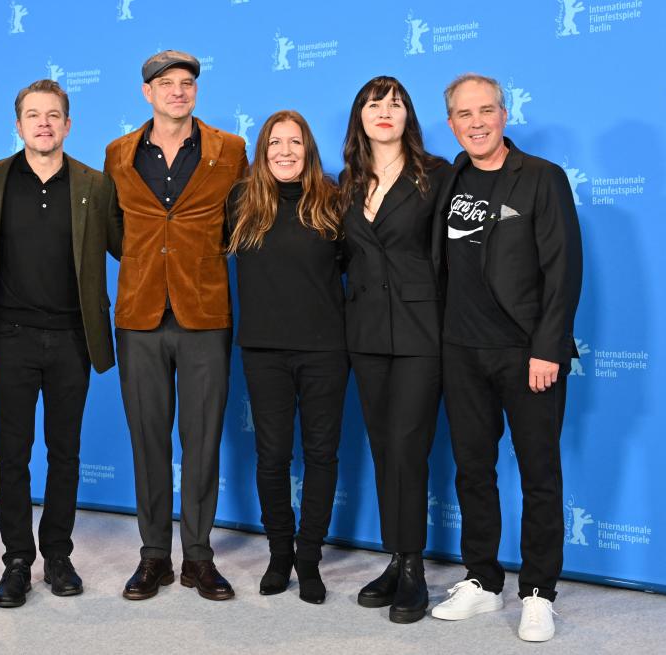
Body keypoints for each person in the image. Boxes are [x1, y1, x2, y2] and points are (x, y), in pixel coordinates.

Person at [430, 73, 582, 643]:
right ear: (451, 124)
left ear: (504, 114)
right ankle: (483, 580)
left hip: (525, 356)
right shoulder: (451, 177)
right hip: (460, 352)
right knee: (473, 471)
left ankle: (538, 591)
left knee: (539, 474)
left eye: (486, 110)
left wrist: (547, 348)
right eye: (465, 114)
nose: (476, 122)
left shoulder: (542, 178)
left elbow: (563, 271)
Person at [0, 80, 122, 607]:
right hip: (9, 337)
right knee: (11, 455)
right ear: (18, 125)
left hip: (72, 337)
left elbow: (132, 248)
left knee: (66, 452)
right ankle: (17, 560)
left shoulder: (95, 184)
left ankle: (58, 553)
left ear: (68, 124)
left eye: (53, 114)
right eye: (33, 115)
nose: (43, 123)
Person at [103, 50, 248, 601]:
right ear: (147, 93)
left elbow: (241, 221)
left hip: (205, 312)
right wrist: (151, 262)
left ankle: (200, 558)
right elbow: (115, 229)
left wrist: (194, 259)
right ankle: (153, 557)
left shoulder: (229, 150)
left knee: (203, 439)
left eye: (187, 83)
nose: (178, 92)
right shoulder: (118, 153)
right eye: (166, 84)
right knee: (147, 441)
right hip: (139, 314)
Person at [338, 76, 450, 623]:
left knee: (409, 447)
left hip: (419, 332)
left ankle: (415, 571)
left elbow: (452, 259)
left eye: (396, 103)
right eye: (374, 103)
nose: (385, 111)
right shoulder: (346, 182)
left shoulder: (437, 175)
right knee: (385, 448)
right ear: (360, 115)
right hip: (364, 335)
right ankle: (397, 557)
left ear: (409, 116)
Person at [227, 110, 346, 604]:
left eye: (294, 142)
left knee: (321, 456)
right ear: (263, 149)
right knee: (272, 457)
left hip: (325, 350)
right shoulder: (241, 200)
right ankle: (280, 554)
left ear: (308, 149)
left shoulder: (334, 199)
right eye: (275, 142)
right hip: (264, 351)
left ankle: (309, 558)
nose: (285, 151)